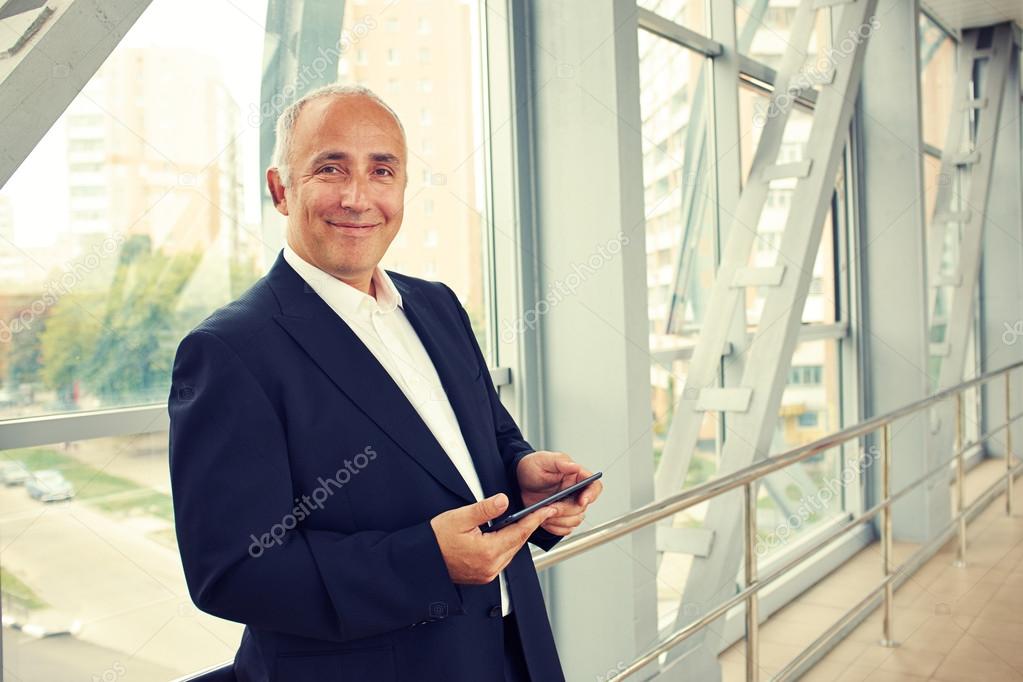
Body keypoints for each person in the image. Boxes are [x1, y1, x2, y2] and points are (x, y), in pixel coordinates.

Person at [168, 84, 603, 682]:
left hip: (509, 655)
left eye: (381, 171)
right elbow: (232, 572)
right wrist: (427, 561)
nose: (357, 196)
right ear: (280, 190)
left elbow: (482, 445)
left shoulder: (438, 305)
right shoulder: (230, 350)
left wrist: (524, 475)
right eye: (329, 168)